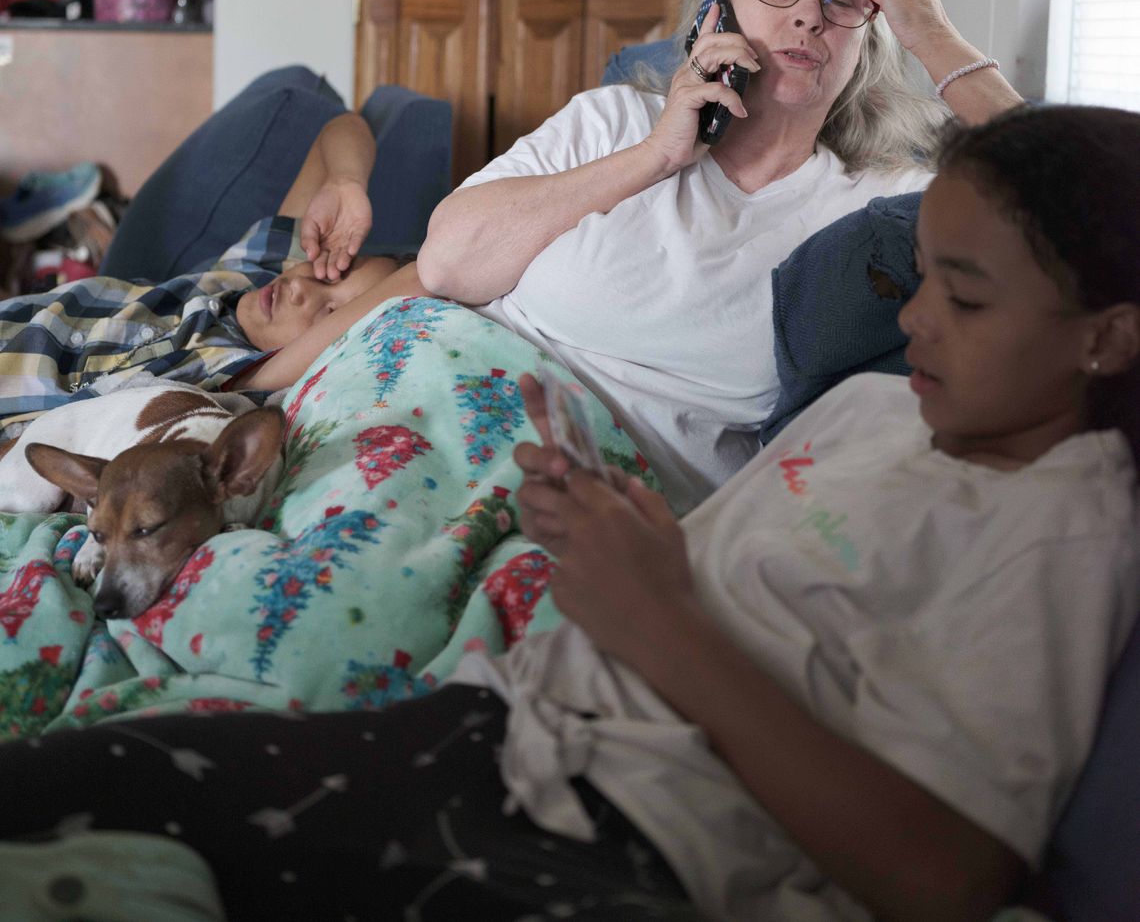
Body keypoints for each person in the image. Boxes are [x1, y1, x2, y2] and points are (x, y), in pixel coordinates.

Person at [0, 102, 1136, 922]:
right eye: (922, 281)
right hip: (503, 726)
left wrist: (659, 619)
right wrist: (608, 529)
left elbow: (946, 876)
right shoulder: (878, 410)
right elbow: (719, 572)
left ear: (1109, 334)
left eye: (967, 296)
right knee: (55, 792)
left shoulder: (1064, 526)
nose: (921, 321)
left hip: (622, 835)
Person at [417, 0, 1024, 509]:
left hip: (612, 501)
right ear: (718, 6)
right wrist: (656, 155)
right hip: (445, 409)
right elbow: (445, 265)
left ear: (868, 42)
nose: (810, 13)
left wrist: (931, 31)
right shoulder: (612, 121)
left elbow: (1077, 207)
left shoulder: (880, 208)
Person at [0, 110, 423, 449]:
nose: (301, 289)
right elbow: (343, 126)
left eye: (331, 312)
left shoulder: (248, 378)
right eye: (335, 270)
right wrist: (345, 182)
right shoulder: (254, 271)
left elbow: (423, 278)